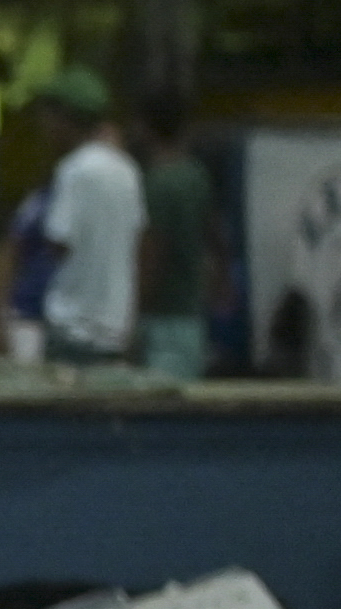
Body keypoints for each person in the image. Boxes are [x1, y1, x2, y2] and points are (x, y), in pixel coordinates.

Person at [24, 67, 144, 366]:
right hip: (115, 327)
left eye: (49, 117)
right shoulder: (126, 170)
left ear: (66, 119)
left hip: (73, 327)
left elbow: (58, 242)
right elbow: (137, 239)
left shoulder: (75, 171)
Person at [134, 85, 217, 382]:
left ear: (144, 127)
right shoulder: (197, 176)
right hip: (191, 313)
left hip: (162, 316)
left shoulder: (158, 184)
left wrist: (136, 308)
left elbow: (153, 250)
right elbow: (213, 234)